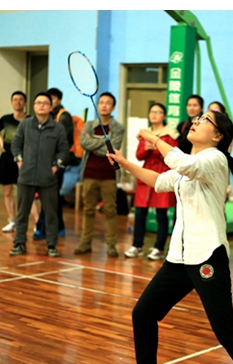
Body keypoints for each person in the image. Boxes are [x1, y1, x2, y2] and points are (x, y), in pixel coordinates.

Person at [107, 111, 233, 364]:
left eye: (204, 120)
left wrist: (153, 137)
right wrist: (125, 163)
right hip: (180, 258)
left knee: (225, 330)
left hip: (208, 256)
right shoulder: (191, 164)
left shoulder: (215, 159)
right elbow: (159, 181)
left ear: (218, 136)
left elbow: (181, 162)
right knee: (144, 313)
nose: (196, 121)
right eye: (197, 118)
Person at [9, 92, 70, 259]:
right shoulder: (25, 125)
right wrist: (20, 161)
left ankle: (51, 245)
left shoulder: (58, 128)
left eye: (45, 103)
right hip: (26, 177)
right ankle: (19, 243)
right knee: (22, 213)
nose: (41, 105)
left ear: (51, 107)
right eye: (38, 102)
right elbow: (16, 144)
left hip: (48, 179)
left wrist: (55, 167)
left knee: (51, 215)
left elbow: (64, 151)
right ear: (34, 106)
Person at [74, 92, 125, 257]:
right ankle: (85, 242)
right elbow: (83, 143)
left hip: (109, 175)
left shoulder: (118, 127)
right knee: (88, 209)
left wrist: (94, 143)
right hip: (89, 173)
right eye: (101, 102)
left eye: (108, 103)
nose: (104, 105)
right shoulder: (90, 125)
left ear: (113, 107)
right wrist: (104, 140)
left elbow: (112, 149)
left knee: (110, 210)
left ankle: (111, 245)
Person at [124, 103, 177, 261]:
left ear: (164, 116)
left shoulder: (170, 135)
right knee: (140, 213)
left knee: (161, 214)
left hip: (162, 175)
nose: (154, 114)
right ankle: (137, 245)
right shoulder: (145, 133)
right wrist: (146, 149)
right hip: (145, 175)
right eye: (152, 112)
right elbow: (139, 155)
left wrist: (157, 148)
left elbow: (173, 156)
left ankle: (159, 248)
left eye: (158, 112)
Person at [33, 88, 75, 240]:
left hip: (58, 163)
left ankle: (41, 228)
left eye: (53, 98)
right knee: (52, 196)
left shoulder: (63, 116)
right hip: (44, 162)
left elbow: (62, 141)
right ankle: (60, 227)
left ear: (58, 100)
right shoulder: (44, 117)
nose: (49, 101)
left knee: (49, 195)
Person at [0, 91, 28, 233]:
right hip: (6, 157)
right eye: (15, 99)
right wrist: (0, 141)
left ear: (25, 103)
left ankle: (27, 221)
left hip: (23, 159)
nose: (17, 102)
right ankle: (12, 220)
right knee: (7, 192)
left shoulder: (29, 120)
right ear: (11, 103)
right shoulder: (5, 119)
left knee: (24, 192)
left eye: (20, 100)